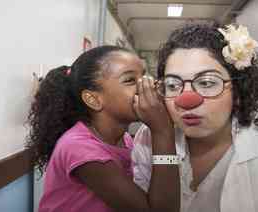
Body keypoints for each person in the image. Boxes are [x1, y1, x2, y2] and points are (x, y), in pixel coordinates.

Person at [132, 24, 258, 212]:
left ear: (238, 88)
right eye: (172, 84)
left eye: (207, 82)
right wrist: (163, 140)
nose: (185, 100)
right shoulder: (150, 136)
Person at [26, 45, 180, 212]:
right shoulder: (80, 148)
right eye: (129, 80)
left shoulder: (125, 139)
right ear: (93, 99)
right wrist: (162, 130)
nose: (147, 86)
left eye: (144, 76)